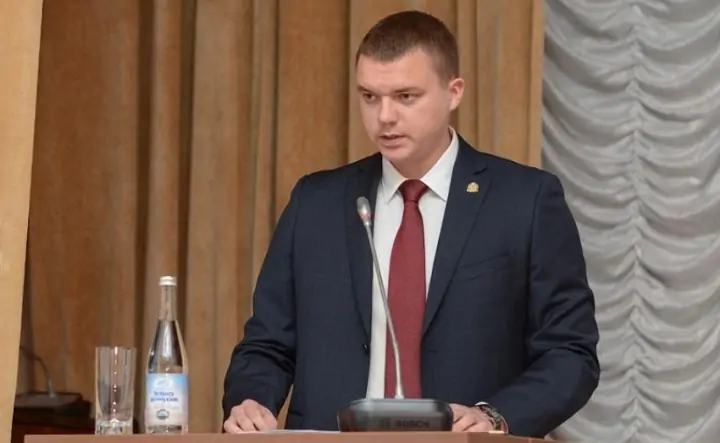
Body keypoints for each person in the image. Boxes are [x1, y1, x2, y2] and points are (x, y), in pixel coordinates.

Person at [222, 9, 600, 437]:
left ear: (453, 93)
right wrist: (250, 400)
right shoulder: (316, 203)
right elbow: (266, 345)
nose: (384, 116)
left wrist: (494, 416)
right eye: (370, 96)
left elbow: (570, 353)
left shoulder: (524, 201)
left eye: (405, 97)